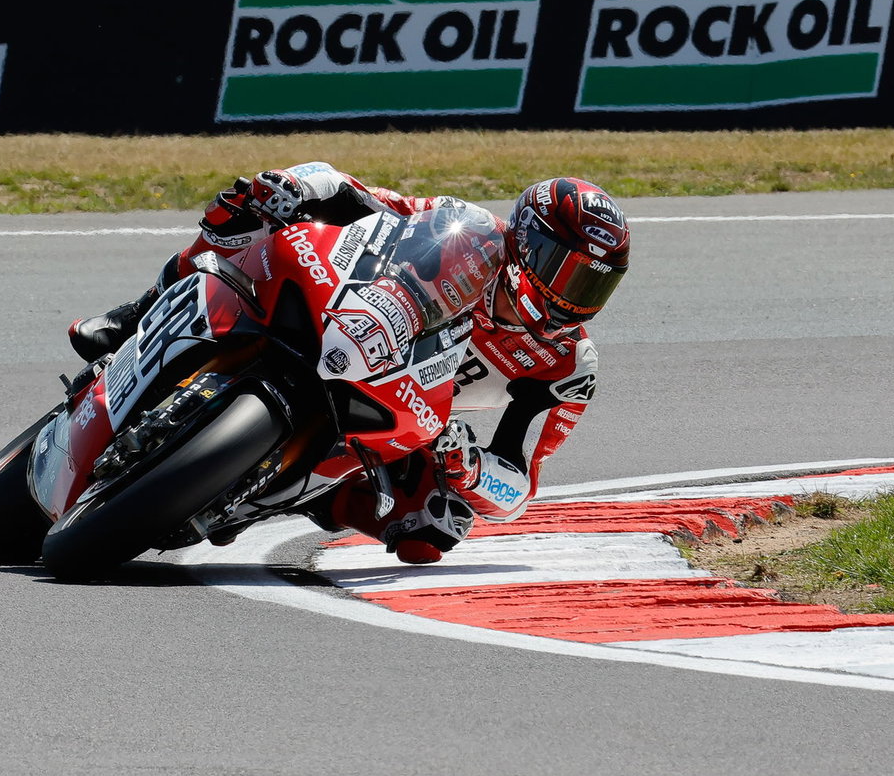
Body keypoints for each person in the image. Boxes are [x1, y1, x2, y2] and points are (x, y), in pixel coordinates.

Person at [68, 162, 630, 564]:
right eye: (567, 270)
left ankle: (280, 497)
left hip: (414, 421)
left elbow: (518, 488)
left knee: (433, 527)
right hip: (361, 328)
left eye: (593, 285)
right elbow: (365, 199)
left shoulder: (566, 364)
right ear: (528, 243)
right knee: (248, 218)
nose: (573, 296)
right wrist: (294, 187)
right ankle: (135, 312)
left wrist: (469, 464)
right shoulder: (469, 232)